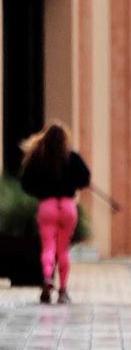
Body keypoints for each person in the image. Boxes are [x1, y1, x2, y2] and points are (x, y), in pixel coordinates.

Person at [19, 122, 90, 304]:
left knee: (48, 246)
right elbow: (85, 177)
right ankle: (63, 290)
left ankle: (47, 277)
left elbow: (26, 181)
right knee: (63, 249)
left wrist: (39, 192)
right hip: (67, 206)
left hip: (47, 206)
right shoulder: (72, 156)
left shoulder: (39, 157)